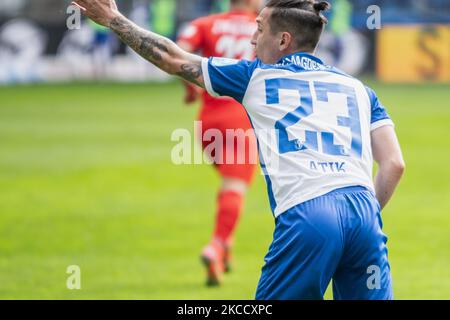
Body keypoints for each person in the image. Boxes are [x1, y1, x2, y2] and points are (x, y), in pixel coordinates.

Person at [73, 0, 405, 300]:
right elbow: (394, 163)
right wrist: (362, 216)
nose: (251, 39)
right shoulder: (360, 89)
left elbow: (173, 59)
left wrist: (114, 19)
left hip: (309, 215)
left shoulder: (255, 78)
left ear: (283, 40)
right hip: (365, 216)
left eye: (259, 30)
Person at [176, 0, 262, 286]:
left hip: (208, 122)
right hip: (243, 117)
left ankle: (226, 247)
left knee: (229, 183)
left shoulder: (205, 23)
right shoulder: (265, 27)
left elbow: (179, 53)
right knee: (235, 187)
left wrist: (190, 88)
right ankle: (216, 246)